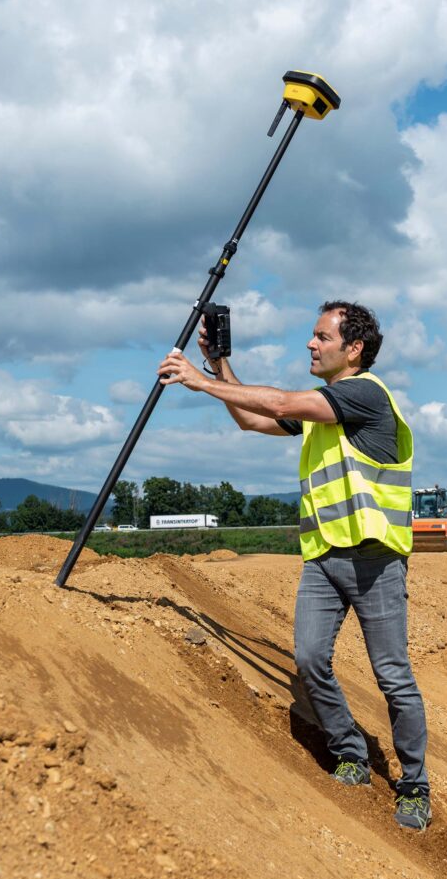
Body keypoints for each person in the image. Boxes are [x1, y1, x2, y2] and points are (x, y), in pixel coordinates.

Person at [158, 301, 431, 830]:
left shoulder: (365, 394)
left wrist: (196, 380)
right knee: (308, 660)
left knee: (393, 678)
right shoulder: (322, 411)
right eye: (312, 334)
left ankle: (414, 786)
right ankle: (351, 753)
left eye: (321, 336)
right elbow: (252, 419)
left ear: (353, 350)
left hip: (375, 560)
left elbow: (282, 399)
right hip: (325, 557)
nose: (310, 343)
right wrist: (219, 367)